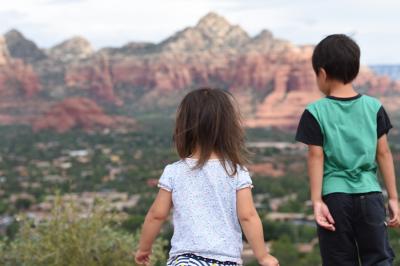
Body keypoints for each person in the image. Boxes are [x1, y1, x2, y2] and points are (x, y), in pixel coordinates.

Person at [135, 88, 279, 266]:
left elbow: (156, 215)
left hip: (184, 260)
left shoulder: (174, 171)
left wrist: (144, 248)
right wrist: (263, 256)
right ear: (229, 128)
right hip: (225, 261)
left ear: (183, 127)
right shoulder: (236, 172)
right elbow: (248, 216)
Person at [295, 34, 399, 266]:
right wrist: (393, 197)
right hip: (370, 196)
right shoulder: (374, 107)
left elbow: (315, 156)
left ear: (321, 73)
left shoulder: (315, 111)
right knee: (379, 258)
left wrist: (316, 201)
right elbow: (383, 154)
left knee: (339, 260)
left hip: (335, 199)